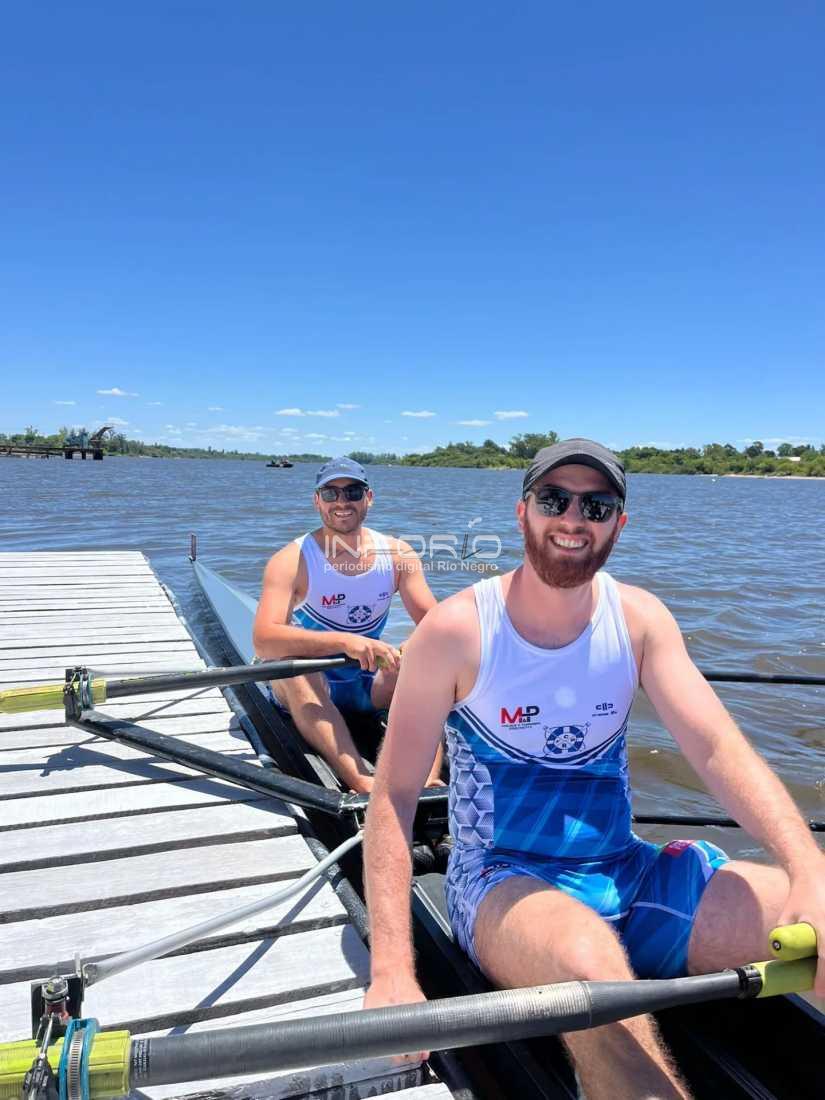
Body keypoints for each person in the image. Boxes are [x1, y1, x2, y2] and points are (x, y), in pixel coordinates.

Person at [363, 438, 825, 1099]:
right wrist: (392, 970)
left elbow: (717, 749)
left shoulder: (639, 620)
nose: (573, 518)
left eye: (596, 505)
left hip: (627, 872)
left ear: (618, 524)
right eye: (554, 499)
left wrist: (807, 866)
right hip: (502, 879)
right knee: (592, 973)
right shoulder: (454, 631)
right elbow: (393, 798)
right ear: (522, 512)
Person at [253, 456, 441, 794]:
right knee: (294, 669)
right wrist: (344, 642)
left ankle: (428, 782)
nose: (342, 502)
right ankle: (359, 780)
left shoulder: (398, 555)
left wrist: (415, 646)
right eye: (331, 493)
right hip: (311, 682)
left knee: (429, 660)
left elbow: (438, 625)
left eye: (352, 492)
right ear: (317, 501)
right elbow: (264, 640)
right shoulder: (291, 560)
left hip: (368, 683)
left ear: (369, 498)